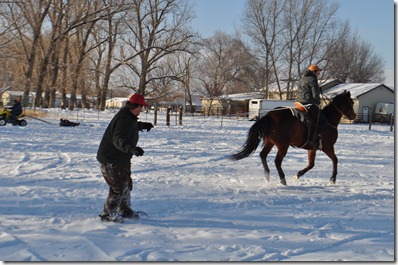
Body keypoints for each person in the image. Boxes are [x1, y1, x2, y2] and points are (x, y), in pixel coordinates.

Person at [97, 93, 154, 223]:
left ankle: (125, 211)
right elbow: (118, 139)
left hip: (120, 159)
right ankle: (108, 215)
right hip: (110, 159)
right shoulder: (124, 118)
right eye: (142, 108)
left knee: (125, 185)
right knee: (118, 188)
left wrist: (142, 125)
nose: (142, 110)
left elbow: (131, 126)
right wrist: (131, 149)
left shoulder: (129, 117)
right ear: (136, 106)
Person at [296, 64, 328, 150]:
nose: (319, 74)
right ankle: (313, 139)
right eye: (318, 72)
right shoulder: (313, 79)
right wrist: (317, 102)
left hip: (299, 103)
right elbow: (315, 94)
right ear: (314, 72)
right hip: (308, 104)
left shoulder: (301, 79)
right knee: (323, 121)